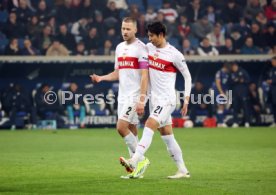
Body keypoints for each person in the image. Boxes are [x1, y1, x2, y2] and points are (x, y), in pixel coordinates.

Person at [120, 21, 192, 179]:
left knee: (150, 123)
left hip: (167, 99)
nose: (150, 39)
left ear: (161, 35)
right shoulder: (148, 48)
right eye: (148, 36)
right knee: (167, 135)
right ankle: (182, 170)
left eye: (152, 36)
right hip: (154, 100)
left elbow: (187, 76)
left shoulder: (175, 54)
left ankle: (135, 159)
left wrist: (186, 100)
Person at [90, 17, 149, 173]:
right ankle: (137, 169)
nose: (125, 31)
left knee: (121, 127)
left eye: (128, 29)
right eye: (123, 28)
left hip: (136, 95)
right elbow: (117, 73)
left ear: (135, 30)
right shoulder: (119, 48)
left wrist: (142, 100)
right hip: (123, 95)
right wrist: (101, 78)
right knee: (131, 128)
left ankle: (141, 160)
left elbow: (145, 75)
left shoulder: (141, 48)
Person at [230, 63, 251, 127]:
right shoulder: (232, 74)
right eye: (232, 67)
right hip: (235, 94)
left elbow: (248, 80)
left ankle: (247, 122)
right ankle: (235, 122)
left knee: (245, 108)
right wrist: (235, 81)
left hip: (243, 93)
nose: (233, 68)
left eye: (233, 67)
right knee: (235, 108)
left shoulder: (243, 71)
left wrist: (243, 81)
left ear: (236, 66)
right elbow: (230, 82)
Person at [212, 62, 231, 127]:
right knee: (221, 106)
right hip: (218, 91)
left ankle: (220, 123)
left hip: (222, 91)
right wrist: (221, 92)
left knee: (222, 106)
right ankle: (221, 122)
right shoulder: (219, 72)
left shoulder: (226, 74)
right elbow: (217, 83)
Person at [267, 56, 276, 127]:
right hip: (272, 91)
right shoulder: (271, 70)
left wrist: (272, 81)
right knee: (273, 106)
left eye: (273, 61)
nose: (272, 62)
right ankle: (275, 121)